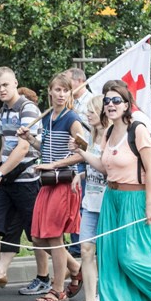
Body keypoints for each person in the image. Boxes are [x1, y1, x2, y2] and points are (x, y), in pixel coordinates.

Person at [72, 84, 151, 301]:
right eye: (107, 101)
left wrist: (150, 204)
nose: (110, 105)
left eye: (116, 100)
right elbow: (103, 167)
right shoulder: (108, 132)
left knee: (130, 256)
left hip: (135, 198)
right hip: (111, 199)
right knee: (110, 258)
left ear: (126, 104)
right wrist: (82, 153)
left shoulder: (139, 130)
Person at [17, 73, 83, 301]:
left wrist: (54, 164)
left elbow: (81, 152)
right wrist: (30, 140)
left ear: (70, 93)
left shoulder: (71, 118)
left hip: (63, 182)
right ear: (50, 91)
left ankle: (58, 289)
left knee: (54, 237)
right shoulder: (48, 117)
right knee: (37, 238)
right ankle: (75, 268)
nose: (61, 94)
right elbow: (45, 148)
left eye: (65, 90)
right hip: (47, 181)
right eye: (57, 90)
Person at [0, 67, 43, 297]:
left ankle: (47, 276)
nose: (2, 89)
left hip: (26, 180)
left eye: (5, 84)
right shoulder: (5, 110)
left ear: (15, 82)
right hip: (6, 180)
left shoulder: (28, 108)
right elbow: (6, 143)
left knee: (38, 233)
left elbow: (24, 147)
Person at [66, 95, 108, 301]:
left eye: (92, 110)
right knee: (86, 250)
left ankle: (109, 297)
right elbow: (94, 167)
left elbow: (107, 168)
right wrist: (81, 173)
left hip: (108, 203)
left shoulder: (112, 137)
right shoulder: (92, 136)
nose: (88, 114)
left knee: (109, 254)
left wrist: (82, 154)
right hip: (90, 202)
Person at [65, 68, 93, 258]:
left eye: (68, 82)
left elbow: (92, 134)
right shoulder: (70, 104)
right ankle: (77, 243)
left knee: (84, 204)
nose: (66, 87)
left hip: (86, 158)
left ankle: (81, 244)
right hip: (73, 158)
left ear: (79, 81)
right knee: (74, 203)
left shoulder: (92, 102)